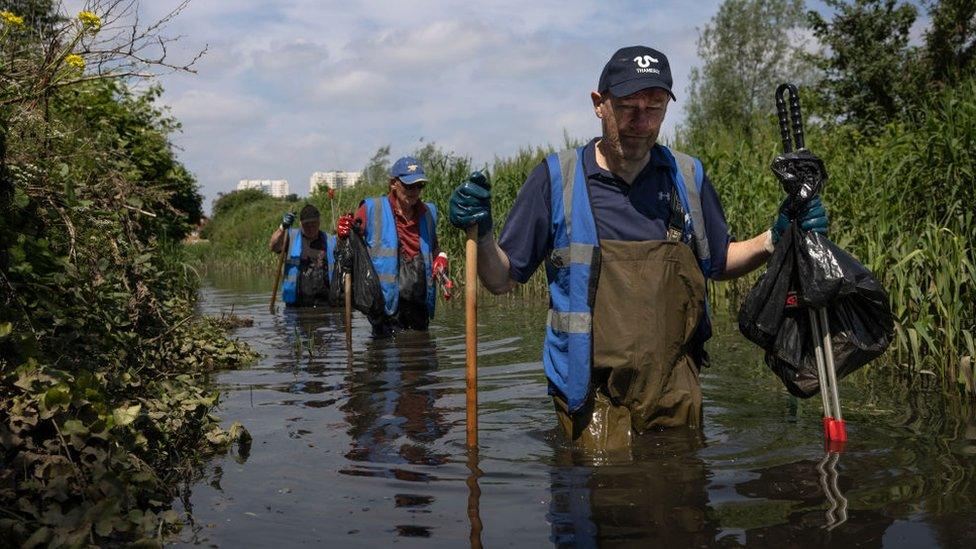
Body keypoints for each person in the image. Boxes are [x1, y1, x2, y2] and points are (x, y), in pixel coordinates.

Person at [448, 46, 828, 449]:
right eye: (628, 106)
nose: (641, 122)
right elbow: (500, 279)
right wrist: (483, 234)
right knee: (603, 491)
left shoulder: (687, 177)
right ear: (599, 104)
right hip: (588, 397)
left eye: (655, 107)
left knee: (681, 494)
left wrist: (774, 238)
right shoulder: (557, 178)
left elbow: (718, 262)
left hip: (675, 391)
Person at [337, 156, 449, 336]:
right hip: (385, 303)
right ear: (393, 184)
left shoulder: (428, 213)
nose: (414, 191)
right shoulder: (372, 208)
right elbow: (348, 245)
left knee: (421, 350)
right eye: (408, 186)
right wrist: (342, 234)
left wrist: (441, 257)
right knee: (385, 352)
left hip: (418, 301)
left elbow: (434, 247)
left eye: (419, 186)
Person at [269, 203, 338, 308]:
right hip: (296, 304)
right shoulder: (291, 237)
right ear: (300, 224)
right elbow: (273, 246)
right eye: (306, 225)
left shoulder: (330, 240)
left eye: (313, 224)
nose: (310, 228)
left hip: (324, 303)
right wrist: (282, 228)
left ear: (319, 222)